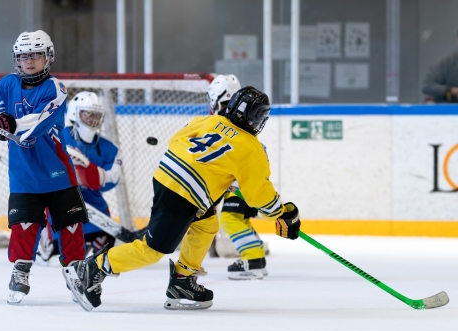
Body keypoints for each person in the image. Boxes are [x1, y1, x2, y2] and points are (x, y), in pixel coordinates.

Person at [64, 86, 301, 312]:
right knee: (152, 250)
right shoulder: (252, 148)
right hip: (185, 193)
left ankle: (183, 280)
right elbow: (258, 194)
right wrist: (283, 213)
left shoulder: (209, 120)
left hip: (165, 176)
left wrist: (212, 171)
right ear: (256, 118)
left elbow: (176, 140)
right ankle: (91, 268)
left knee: (207, 224)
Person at [0, 30, 87, 305]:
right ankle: (20, 270)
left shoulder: (56, 89)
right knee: (23, 226)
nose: (28, 61)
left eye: (35, 55)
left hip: (57, 174)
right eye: (23, 56)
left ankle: (76, 270)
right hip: (24, 175)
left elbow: (37, 122)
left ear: (48, 57)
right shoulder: (8, 84)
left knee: (71, 226)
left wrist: (6, 122)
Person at [38, 91, 124, 260]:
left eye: (96, 115)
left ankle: (87, 243)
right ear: (75, 113)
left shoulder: (110, 148)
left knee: (105, 259)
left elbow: (111, 180)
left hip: (94, 210)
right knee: (57, 259)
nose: (93, 119)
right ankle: (46, 242)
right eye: (88, 114)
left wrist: (87, 169)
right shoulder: (55, 137)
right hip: (61, 208)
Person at [207, 74, 269, 280]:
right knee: (238, 217)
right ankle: (256, 256)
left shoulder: (223, 120)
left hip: (242, 178)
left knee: (230, 217)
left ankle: (253, 261)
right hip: (246, 176)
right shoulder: (242, 115)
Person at [422, 30, 458, 103]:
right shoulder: (446, 62)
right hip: (449, 108)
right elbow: (427, 86)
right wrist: (453, 91)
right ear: (457, 40)